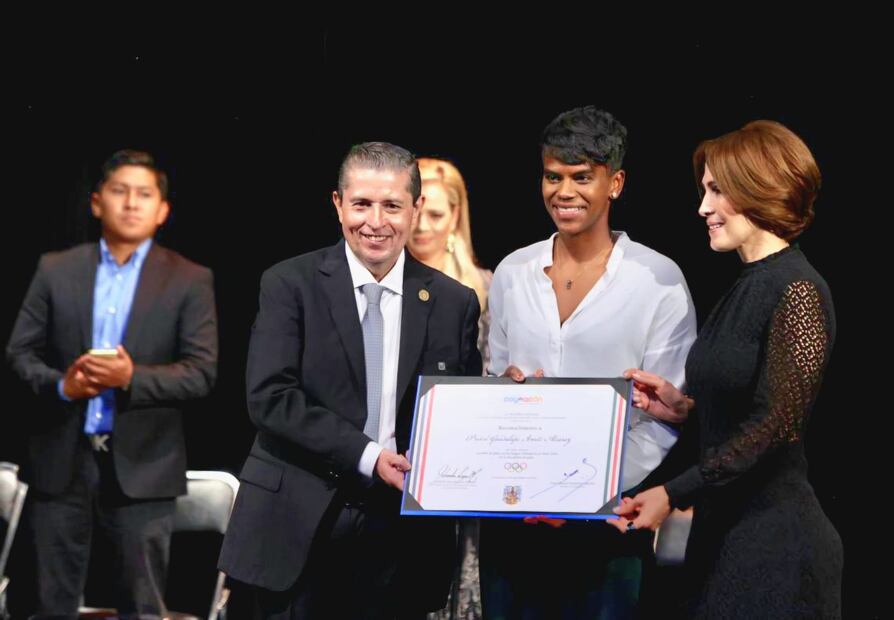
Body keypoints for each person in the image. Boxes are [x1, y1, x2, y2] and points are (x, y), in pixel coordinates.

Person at [218, 142, 483, 619]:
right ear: (338, 204)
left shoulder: (454, 302)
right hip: (296, 527)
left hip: (402, 540)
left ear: (416, 208)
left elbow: (462, 416)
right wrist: (369, 456)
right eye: (361, 204)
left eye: (392, 206)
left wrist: (514, 398)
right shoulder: (289, 284)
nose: (375, 222)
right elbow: (271, 398)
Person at [610, 120, 843, 618]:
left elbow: (775, 428)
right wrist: (684, 409)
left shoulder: (798, 289)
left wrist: (672, 492)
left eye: (717, 190)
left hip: (776, 551)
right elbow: (746, 410)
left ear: (759, 189)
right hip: (724, 539)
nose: (703, 207)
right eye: (704, 190)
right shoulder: (747, 284)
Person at [479, 106, 697, 618]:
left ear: (614, 183)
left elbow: (662, 419)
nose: (564, 191)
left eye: (582, 177)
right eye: (553, 176)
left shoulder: (659, 281)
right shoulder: (513, 271)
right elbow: (495, 382)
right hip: (516, 522)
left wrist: (577, 494)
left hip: (607, 526)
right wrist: (503, 393)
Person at [6, 149, 219, 619]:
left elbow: (201, 371)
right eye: (119, 191)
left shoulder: (189, 278)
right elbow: (20, 354)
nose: (131, 203)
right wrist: (63, 386)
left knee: (141, 607)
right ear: (96, 202)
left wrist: (131, 378)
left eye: (144, 194)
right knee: (49, 605)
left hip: (145, 467)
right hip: (60, 460)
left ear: (162, 210)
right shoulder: (56, 268)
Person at [410, 158, 491, 620]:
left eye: (436, 214)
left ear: (456, 216)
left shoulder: (486, 290)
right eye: (417, 212)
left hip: (464, 465)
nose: (422, 227)